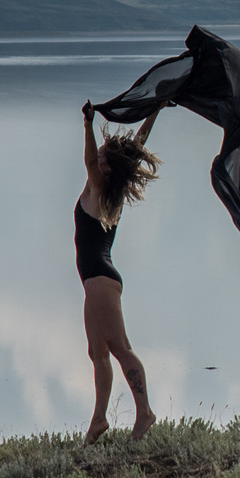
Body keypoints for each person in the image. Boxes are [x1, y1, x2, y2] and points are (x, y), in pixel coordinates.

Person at [77, 98, 163, 443]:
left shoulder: (99, 187)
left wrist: (86, 126)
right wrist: (154, 110)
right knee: (97, 353)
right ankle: (99, 420)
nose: (97, 159)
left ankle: (144, 414)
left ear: (109, 169)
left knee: (119, 348)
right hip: (97, 281)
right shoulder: (112, 189)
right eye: (98, 155)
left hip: (99, 279)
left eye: (102, 159)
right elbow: (136, 149)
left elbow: (88, 160)